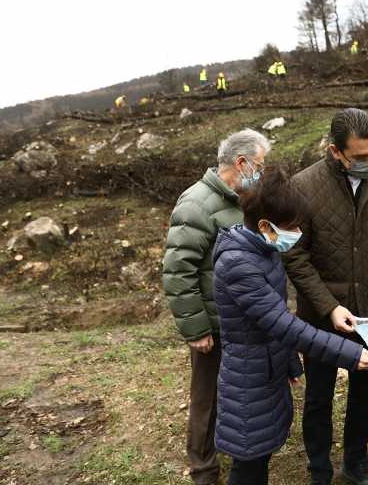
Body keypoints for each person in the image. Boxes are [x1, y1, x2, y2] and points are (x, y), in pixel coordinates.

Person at [212, 167, 368, 485]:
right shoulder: (238, 265)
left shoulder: (262, 250)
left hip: (266, 370)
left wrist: (289, 363)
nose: (298, 233)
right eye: (292, 227)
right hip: (247, 379)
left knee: (259, 454)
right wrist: (351, 355)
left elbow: (271, 318)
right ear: (265, 225)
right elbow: (285, 324)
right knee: (248, 463)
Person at [284, 108, 368, 485]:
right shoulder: (303, 187)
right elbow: (295, 256)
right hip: (322, 318)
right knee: (319, 396)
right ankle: (320, 472)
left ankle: (357, 464)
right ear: (335, 151)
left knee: (364, 394)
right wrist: (329, 306)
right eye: (360, 156)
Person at [162, 128, 269, 485]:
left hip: (242, 324)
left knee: (235, 393)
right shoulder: (197, 203)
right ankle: (204, 469)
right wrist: (196, 330)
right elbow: (178, 271)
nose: (263, 171)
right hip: (214, 326)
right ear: (241, 163)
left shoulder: (243, 199)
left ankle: (233, 450)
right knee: (207, 399)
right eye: (261, 164)